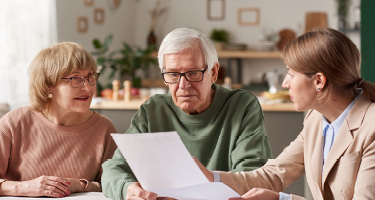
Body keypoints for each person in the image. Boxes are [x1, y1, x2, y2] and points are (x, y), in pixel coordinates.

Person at [197, 28, 375, 200]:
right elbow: (273, 175)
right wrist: (211, 178)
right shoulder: (315, 119)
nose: (284, 83)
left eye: (290, 74)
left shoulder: (371, 127)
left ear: (319, 81)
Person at [101, 27, 272, 200]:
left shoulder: (242, 106)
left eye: (193, 73)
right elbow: (113, 169)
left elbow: (254, 177)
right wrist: (128, 190)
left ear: (213, 72)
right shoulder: (152, 110)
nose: (183, 84)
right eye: (173, 74)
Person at [0, 42, 117, 197]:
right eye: (76, 78)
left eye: (90, 77)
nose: (88, 88)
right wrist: (25, 187)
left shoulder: (104, 128)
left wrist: (80, 185)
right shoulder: (14, 123)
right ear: (48, 85)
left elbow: (115, 184)